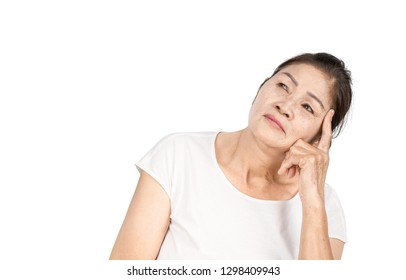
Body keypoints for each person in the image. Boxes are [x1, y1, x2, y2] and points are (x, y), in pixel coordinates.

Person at [109, 52, 353, 260]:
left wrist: (312, 198)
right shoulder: (178, 155)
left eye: (307, 107)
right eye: (283, 86)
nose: (285, 106)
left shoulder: (324, 207)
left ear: (321, 136)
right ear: (262, 86)